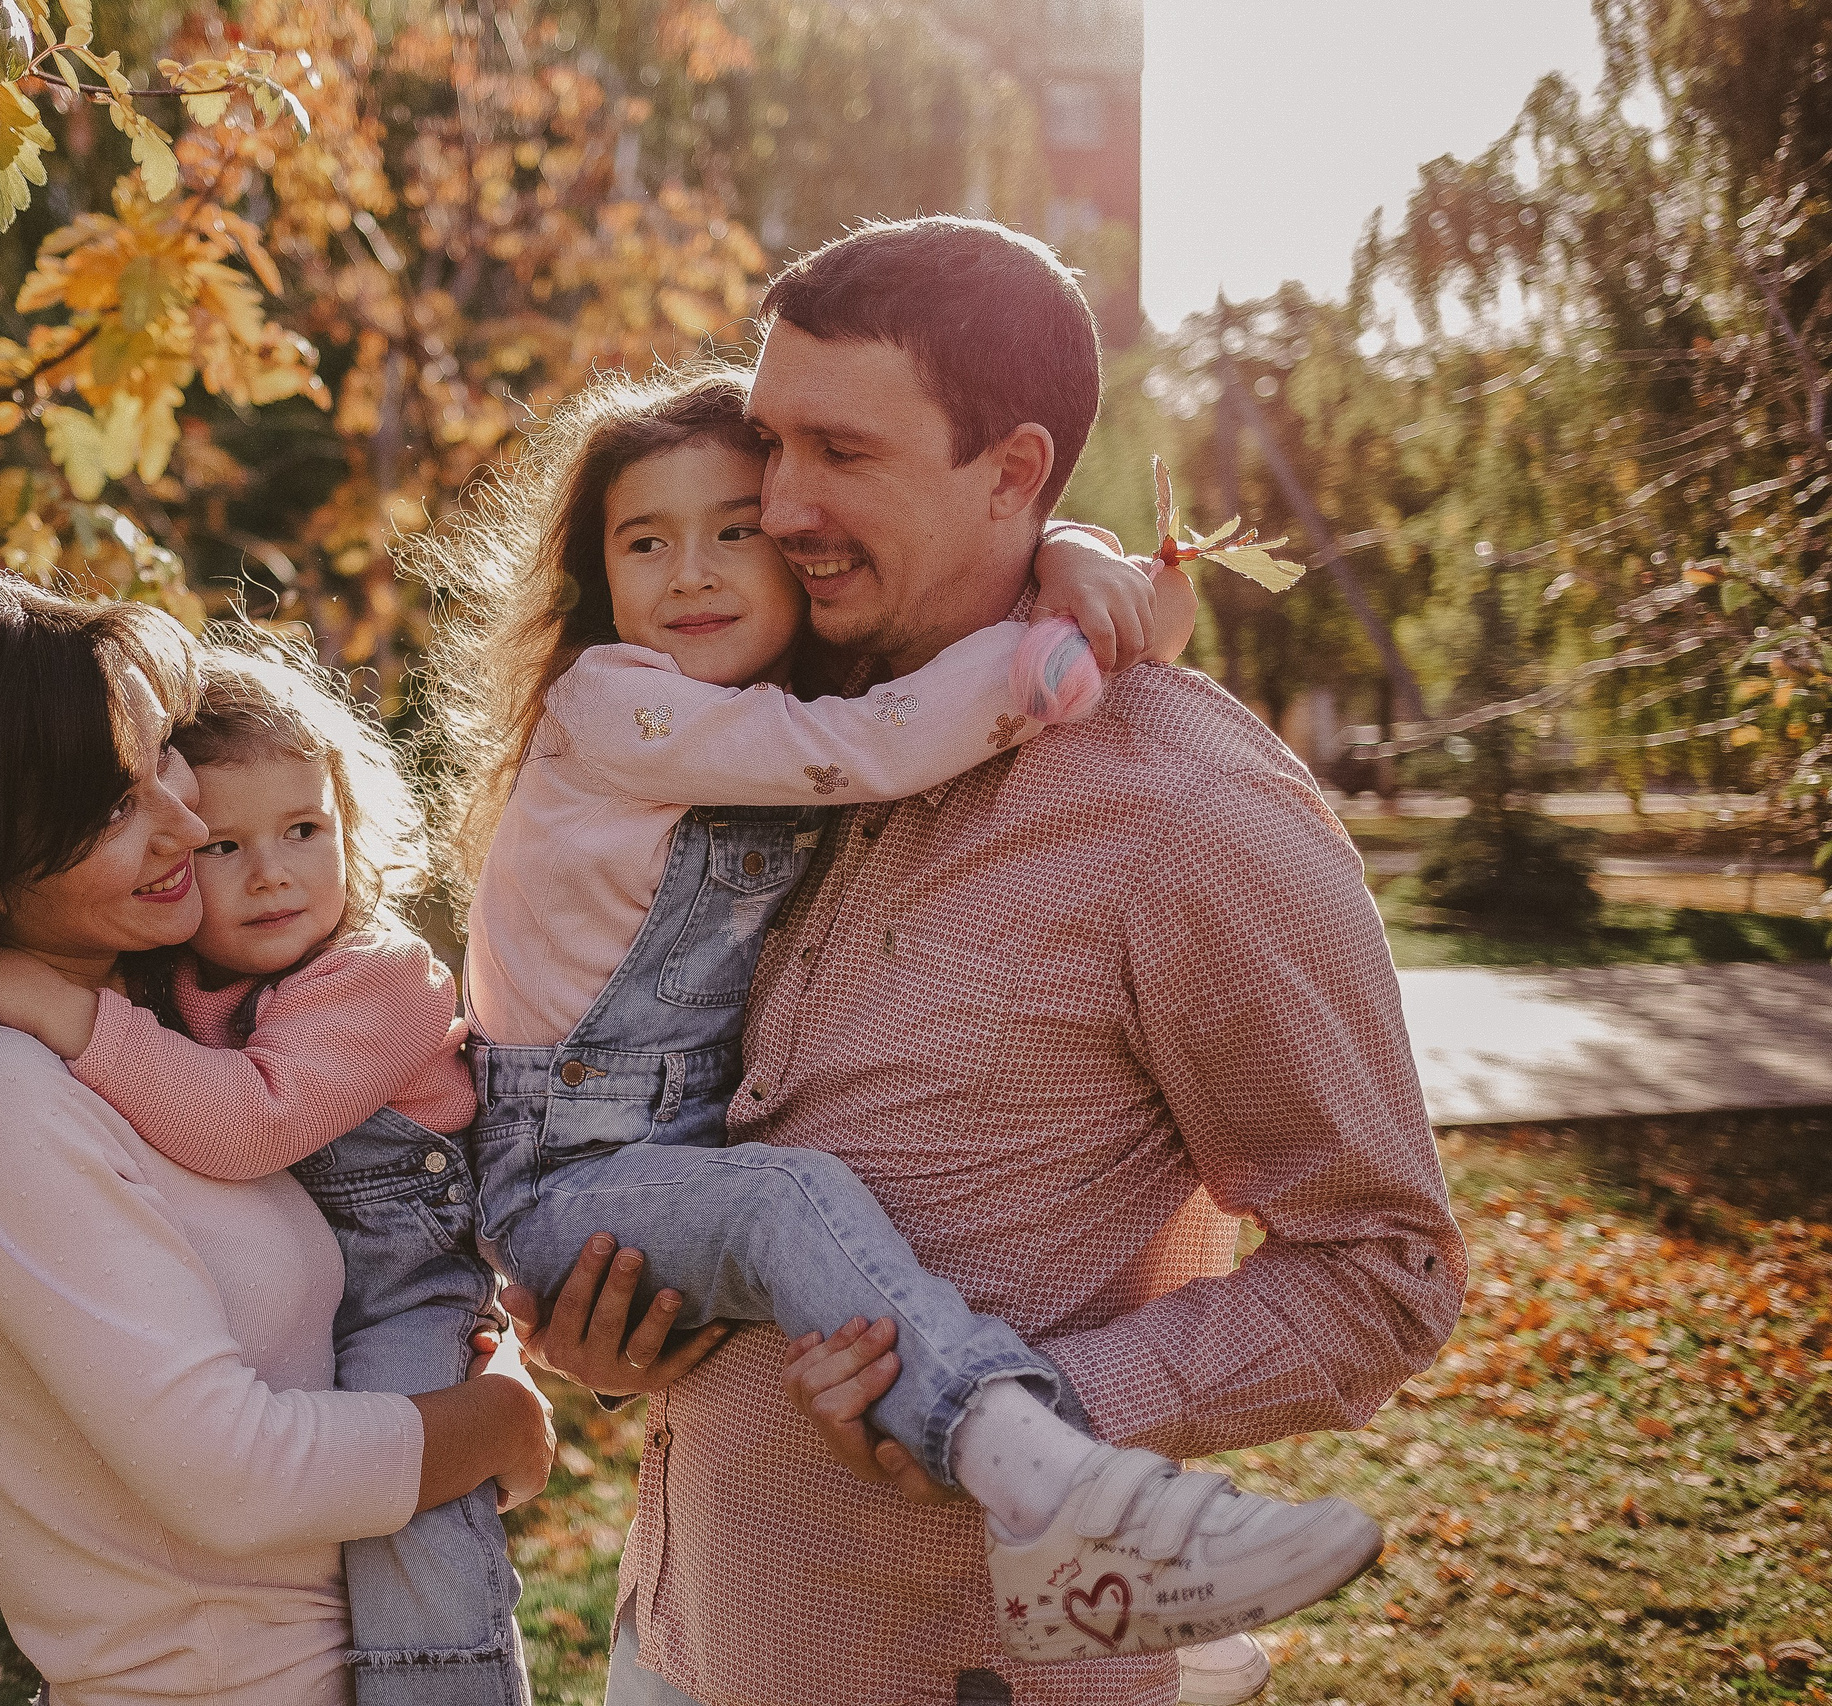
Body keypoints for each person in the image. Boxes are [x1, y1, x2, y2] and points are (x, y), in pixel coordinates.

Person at [513, 218, 1467, 1706]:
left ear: (1013, 473)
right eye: (770, 442)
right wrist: (616, 1327)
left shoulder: (1190, 818)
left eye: (842, 450)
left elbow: (1386, 1273)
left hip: (956, 1665)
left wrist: (1051, 1406)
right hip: (683, 1627)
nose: (780, 503)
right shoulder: (774, 721)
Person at [0, 571, 555, 1706]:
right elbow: (231, 1475)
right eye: (118, 801)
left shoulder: (158, 1036)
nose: (190, 822)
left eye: (161, 764)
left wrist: (475, 1361)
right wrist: (488, 1424)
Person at [0, 640, 576, 1706]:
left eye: (305, 829)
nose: (273, 873)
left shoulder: (376, 975)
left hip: (402, 1284)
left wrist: (70, 1015)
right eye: (223, 845)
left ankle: (450, 1685)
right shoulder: (171, 982)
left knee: (412, 1513)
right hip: (303, 1311)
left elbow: (254, 1124)